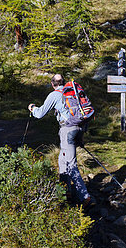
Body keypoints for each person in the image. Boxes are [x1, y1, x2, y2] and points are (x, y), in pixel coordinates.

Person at [28, 74, 94, 209]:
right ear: (63, 82)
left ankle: (85, 197)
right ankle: (65, 192)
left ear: (53, 84)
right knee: (62, 160)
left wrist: (32, 108)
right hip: (79, 128)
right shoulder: (73, 92)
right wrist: (80, 137)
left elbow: (40, 113)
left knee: (71, 164)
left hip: (67, 130)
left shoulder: (55, 95)